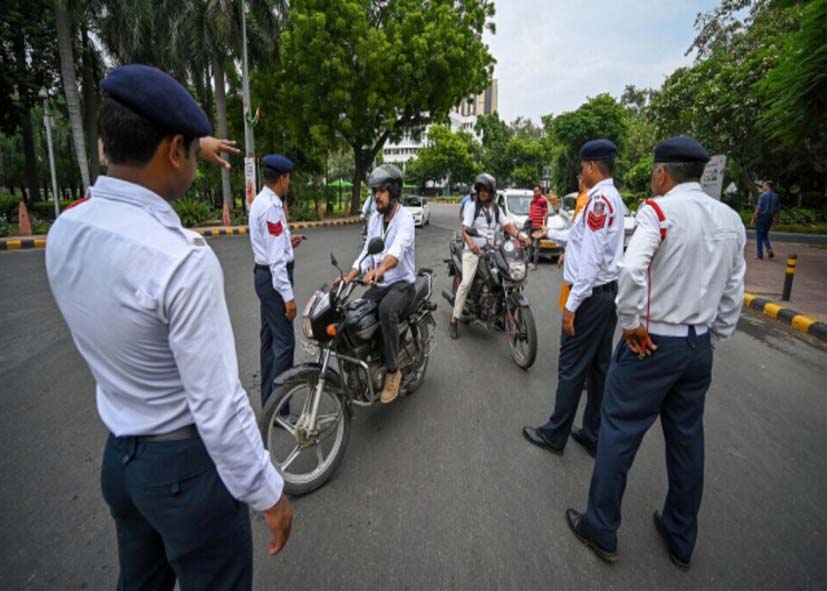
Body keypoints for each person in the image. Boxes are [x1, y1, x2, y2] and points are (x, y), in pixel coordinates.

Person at [45, 64, 292, 591]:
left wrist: (190, 144)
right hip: (184, 474)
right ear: (174, 150)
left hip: (122, 461)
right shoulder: (181, 260)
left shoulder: (67, 229)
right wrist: (267, 492)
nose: (199, 162)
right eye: (191, 151)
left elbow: (134, 164)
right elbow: (219, 407)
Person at [565, 136, 746, 569]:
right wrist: (711, 337)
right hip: (697, 346)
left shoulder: (658, 211)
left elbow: (631, 269)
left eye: (653, 171)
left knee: (619, 430)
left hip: (651, 344)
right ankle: (680, 536)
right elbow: (733, 290)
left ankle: (601, 527)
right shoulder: (731, 220)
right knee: (687, 441)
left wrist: (630, 323)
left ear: (662, 173)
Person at [522, 139, 625, 458]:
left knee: (571, 367)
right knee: (598, 369)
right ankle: (593, 433)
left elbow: (590, 260)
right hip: (607, 297)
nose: (582, 174)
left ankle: (555, 434)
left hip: (590, 299)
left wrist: (571, 305)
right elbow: (579, 238)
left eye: (582, 168)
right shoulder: (610, 198)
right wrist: (548, 233)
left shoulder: (598, 203)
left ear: (592, 166)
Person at [341, 164, 416, 403]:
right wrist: (348, 277)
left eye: (381, 191)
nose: (377, 196)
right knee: (354, 315)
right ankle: (365, 364)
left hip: (401, 284)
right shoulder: (375, 219)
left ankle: (393, 371)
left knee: (386, 310)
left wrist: (380, 269)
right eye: (375, 191)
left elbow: (397, 251)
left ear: (393, 192)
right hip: (380, 285)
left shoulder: (405, 219)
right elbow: (366, 252)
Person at [249, 154, 303, 409]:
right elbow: (276, 260)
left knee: (269, 341)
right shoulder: (272, 206)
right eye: (288, 178)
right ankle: (279, 409)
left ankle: (268, 401)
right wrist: (288, 297)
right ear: (282, 179)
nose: (288, 182)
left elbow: (270, 243)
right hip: (273, 280)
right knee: (285, 344)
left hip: (263, 276)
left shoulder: (261, 201)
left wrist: (286, 244)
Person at [449, 173, 530, 339]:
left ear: (492, 192)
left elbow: (508, 227)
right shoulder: (472, 207)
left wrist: (521, 237)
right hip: (473, 251)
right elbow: (465, 229)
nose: (482, 193)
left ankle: (498, 314)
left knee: (503, 277)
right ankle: (454, 319)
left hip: (491, 250)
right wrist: (472, 244)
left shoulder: (496, 209)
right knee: (466, 282)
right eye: (480, 190)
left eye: (486, 190)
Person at [750, 180, 780, 259]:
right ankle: (769, 249)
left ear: (767, 186)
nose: (763, 187)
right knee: (765, 235)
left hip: (762, 217)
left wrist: (753, 219)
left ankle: (759, 255)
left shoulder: (763, 195)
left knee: (759, 236)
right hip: (770, 218)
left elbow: (758, 209)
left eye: (764, 185)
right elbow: (777, 211)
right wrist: (775, 222)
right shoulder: (776, 196)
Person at [528, 183, 549, 270]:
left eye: (537, 191)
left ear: (540, 191)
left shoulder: (543, 201)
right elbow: (531, 212)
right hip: (531, 225)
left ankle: (534, 264)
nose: (535, 193)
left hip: (538, 226)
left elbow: (546, 214)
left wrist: (544, 227)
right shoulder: (532, 200)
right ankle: (528, 262)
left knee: (536, 246)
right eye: (534, 191)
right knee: (529, 244)